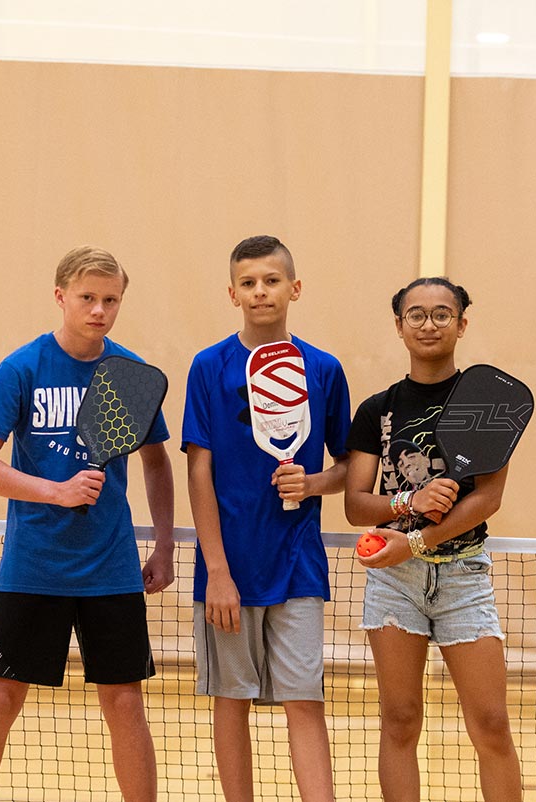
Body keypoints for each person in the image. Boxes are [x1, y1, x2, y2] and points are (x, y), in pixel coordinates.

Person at [0, 245, 175, 802]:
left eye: (111, 300)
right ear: (60, 297)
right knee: (0, 698)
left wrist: (166, 545)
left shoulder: (128, 374)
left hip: (111, 569)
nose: (99, 310)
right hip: (34, 566)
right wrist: (55, 491)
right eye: (87, 298)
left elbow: (156, 463)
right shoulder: (22, 368)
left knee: (124, 702)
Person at [181, 235, 350, 802]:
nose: (261, 292)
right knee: (231, 702)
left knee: (305, 699)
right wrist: (218, 572)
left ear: (294, 288)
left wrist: (315, 482)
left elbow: (350, 465)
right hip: (228, 570)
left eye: (272, 280)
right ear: (232, 293)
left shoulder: (324, 369)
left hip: (298, 564)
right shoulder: (208, 367)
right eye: (248, 283)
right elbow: (199, 473)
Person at [345, 277, 523, 802]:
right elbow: (357, 504)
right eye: (416, 314)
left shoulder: (490, 400)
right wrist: (409, 503)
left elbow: (487, 498)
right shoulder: (377, 409)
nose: (429, 324)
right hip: (393, 580)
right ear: (399, 326)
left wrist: (418, 541)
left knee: (490, 722)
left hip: (464, 576)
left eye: (442, 314)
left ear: (462, 324)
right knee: (399, 719)